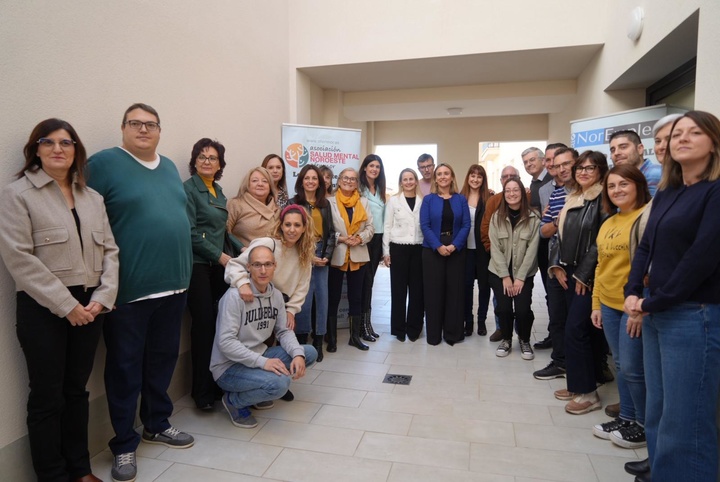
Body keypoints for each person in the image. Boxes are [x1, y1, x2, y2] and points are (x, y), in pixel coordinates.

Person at [0, 119, 118, 482]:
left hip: (91, 306)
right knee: (47, 397)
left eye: (66, 143)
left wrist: (102, 298)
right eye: (47, 142)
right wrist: (67, 306)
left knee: (76, 392)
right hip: (45, 309)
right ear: (35, 150)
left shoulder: (92, 198)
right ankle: (52, 475)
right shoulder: (18, 194)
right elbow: (19, 258)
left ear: (75, 151)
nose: (57, 149)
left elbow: (111, 251)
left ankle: (80, 469)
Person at [87, 103, 194, 482]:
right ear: (123, 128)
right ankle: (124, 444)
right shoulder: (104, 164)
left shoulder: (167, 166)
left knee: (162, 361)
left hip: (174, 285)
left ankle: (156, 423)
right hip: (129, 290)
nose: (144, 130)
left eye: (151, 125)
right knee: (123, 369)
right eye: (136, 123)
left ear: (160, 131)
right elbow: (86, 218)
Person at [624, 111, 720, 482]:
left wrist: (651, 301)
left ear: (713, 142)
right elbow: (646, 246)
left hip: (693, 315)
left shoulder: (714, 191)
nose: (682, 139)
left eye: (694, 132)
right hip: (657, 311)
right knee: (659, 411)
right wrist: (634, 290)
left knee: (687, 421)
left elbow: (703, 256)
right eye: (677, 133)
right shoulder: (668, 190)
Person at [211, 245, 317, 428]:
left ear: (275, 266)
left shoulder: (275, 295)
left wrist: (297, 354)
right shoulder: (234, 297)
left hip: (257, 356)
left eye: (268, 264)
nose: (263, 270)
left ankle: (257, 389)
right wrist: (263, 363)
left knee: (308, 352)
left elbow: (284, 331)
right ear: (248, 267)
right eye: (257, 265)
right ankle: (234, 401)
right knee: (280, 384)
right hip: (229, 367)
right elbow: (226, 343)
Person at [590, 164, 652, 450]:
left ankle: (642, 424)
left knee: (632, 367)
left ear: (638, 184)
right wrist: (597, 303)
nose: (617, 190)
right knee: (621, 365)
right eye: (612, 186)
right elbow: (601, 266)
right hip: (609, 304)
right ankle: (626, 417)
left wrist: (641, 307)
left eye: (623, 184)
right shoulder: (609, 222)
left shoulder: (647, 217)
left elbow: (652, 268)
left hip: (633, 307)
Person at [548, 150, 609, 415]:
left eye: (590, 168)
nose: (583, 172)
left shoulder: (603, 199)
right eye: (580, 168)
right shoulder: (575, 196)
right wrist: (557, 266)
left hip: (589, 275)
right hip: (569, 271)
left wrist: (583, 274)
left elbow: (600, 242)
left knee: (576, 329)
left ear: (600, 171)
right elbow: (558, 235)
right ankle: (579, 383)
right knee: (584, 329)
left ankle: (588, 394)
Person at [184, 138, 243, 410]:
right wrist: (219, 256)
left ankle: (220, 382)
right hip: (198, 266)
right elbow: (191, 233)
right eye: (202, 156)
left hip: (218, 268)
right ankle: (201, 393)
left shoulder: (219, 192)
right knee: (204, 328)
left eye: (213, 158)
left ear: (220, 164)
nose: (207, 161)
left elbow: (223, 232)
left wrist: (247, 251)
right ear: (195, 161)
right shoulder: (188, 190)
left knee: (224, 326)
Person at [533, 148, 576, 380]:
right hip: (556, 264)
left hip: (579, 268)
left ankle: (589, 366)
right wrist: (558, 222)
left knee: (578, 322)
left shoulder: (588, 194)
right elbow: (545, 230)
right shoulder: (556, 194)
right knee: (557, 315)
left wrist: (559, 223)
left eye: (566, 164)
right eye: (557, 165)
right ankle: (560, 362)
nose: (561, 169)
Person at [489, 177, 540, 360]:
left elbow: (532, 250)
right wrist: (505, 276)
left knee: (522, 310)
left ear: (522, 193)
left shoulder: (533, 217)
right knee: (503, 308)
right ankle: (506, 339)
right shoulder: (497, 217)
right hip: (499, 272)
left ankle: (524, 339)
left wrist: (520, 277)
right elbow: (495, 248)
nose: (511, 194)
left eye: (515, 190)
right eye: (508, 190)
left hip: (523, 273)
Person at [420, 163, 471, 346]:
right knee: (434, 293)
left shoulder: (460, 199)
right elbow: (424, 225)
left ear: (452, 177)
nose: (442, 176)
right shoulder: (428, 200)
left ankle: (453, 334)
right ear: (435, 178)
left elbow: (466, 225)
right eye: (439, 174)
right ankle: (433, 335)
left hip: (456, 252)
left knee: (454, 292)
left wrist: (455, 245)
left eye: (446, 173)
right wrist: (438, 246)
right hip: (432, 251)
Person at [290, 165, 335, 361]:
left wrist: (326, 255)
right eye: (307, 178)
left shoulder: (325, 204)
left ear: (319, 182)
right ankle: (301, 340)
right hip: (301, 253)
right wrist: (308, 256)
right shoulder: (294, 204)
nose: (310, 181)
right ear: (301, 181)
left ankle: (318, 340)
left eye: (314, 178)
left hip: (321, 254)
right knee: (304, 298)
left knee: (322, 299)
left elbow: (331, 233)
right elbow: (289, 234)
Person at [327, 168, 375, 351]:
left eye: (353, 179)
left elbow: (370, 227)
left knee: (356, 297)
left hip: (359, 254)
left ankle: (354, 337)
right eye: (345, 178)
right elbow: (327, 229)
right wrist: (341, 237)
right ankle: (331, 339)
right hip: (337, 255)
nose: (349, 181)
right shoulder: (329, 202)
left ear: (357, 183)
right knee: (333, 297)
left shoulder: (363, 201)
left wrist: (360, 238)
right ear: (339, 181)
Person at [481, 165, 523, 342]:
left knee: (521, 303)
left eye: (512, 175)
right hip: (498, 260)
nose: (508, 178)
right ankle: (501, 329)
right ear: (500, 181)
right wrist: (493, 251)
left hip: (521, 262)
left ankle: (522, 333)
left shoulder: (526, 198)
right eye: (505, 176)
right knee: (501, 301)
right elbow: (485, 228)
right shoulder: (493, 201)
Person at [383, 168, 424, 342]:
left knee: (417, 291)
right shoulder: (393, 201)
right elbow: (387, 226)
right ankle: (399, 329)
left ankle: (414, 329)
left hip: (418, 248)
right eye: (405, 179)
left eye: (411, 178)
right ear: (401, 182)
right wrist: (386, 251)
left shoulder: (424, 201)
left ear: (416, 181)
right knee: (398, 291)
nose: (408, 182)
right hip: (398, 248)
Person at [535, 142, 568, 350]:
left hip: (578, 259)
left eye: (557, 160)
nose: (553, 164)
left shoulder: (583, 189)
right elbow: (543, 228)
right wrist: (556, 222)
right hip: (553, 254)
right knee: (554, 304)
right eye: (548, 160)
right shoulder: (548, 190)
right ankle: (557, 346)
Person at [460, 164, 492, 337]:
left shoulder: (489, 199)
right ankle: (468, 321)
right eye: (472, 175)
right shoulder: (459, 198)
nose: (475, 179)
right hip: (464, 250)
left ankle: (481, 321)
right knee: (466, 286)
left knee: (484, 287)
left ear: (483, 180)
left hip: (483, 250)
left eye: (479, 176)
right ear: (468, 177)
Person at [359, 154, 386, 341]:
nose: (374, 169)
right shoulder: (359, 189)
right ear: (365, 168)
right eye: (371, 166)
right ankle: (362, 326)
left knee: (370, 282)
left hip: (378, 239)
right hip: (364, 240)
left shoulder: (380, 189)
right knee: (364, 282)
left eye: (377, 166)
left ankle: (368, 324)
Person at [227, 167, 279, 246]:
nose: (260, 184)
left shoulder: (278, 210)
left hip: (272, 257)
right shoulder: (236, 204)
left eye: (265, 181)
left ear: (270, 186)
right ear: (248, 185)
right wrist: (240, 248)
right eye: (255, 181)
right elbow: (225, 232)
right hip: (242, 256)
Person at [609, 130, 662, 196]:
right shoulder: (616, 179)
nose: (616, 153)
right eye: (613, 150)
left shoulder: (654, 174)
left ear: (640, 149)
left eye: (623, 147)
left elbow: (650, 206)